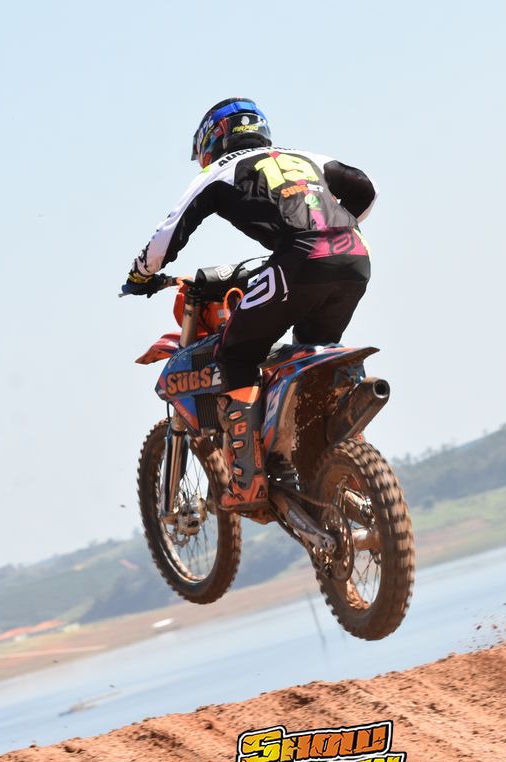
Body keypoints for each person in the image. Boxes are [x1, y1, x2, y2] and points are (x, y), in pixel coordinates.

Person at [125, 98, 376, 511]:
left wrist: (139, 275)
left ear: (213, 139)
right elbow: (367, 189)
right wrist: (336, 226)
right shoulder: (309, 158)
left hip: (300, 259)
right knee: (312, 353)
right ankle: (327, 456)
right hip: (355, 256)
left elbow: (169, 233)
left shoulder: (218, 171)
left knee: (236, 352)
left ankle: (247, 480)